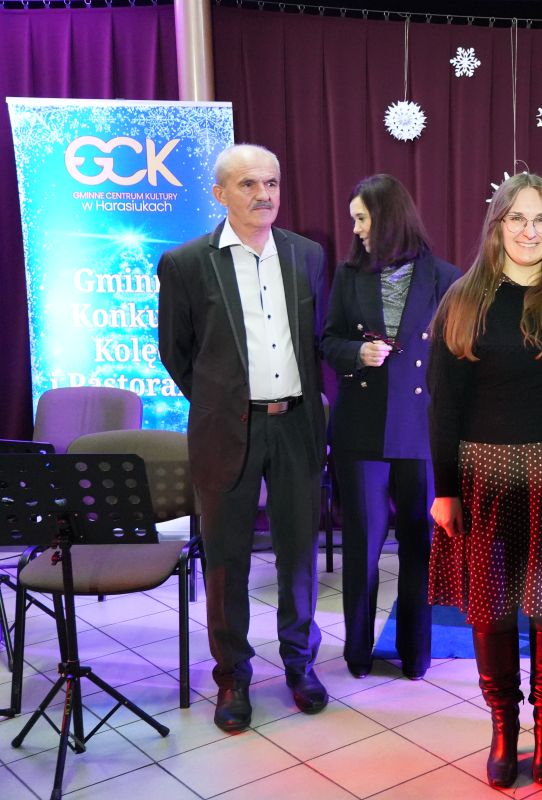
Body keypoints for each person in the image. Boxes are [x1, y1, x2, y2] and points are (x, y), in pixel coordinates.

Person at [426, 172, 542, 788]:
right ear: (497, 225)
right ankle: (504, 728)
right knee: (492, 608)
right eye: (517, 218)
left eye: (541, 220)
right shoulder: (463, 299)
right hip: (485, 473)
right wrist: (445, 489)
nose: (529, 231)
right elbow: (443, 405)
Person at [158, 143, 331, 732]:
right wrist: (222, 402)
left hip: (297, 425)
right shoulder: (185, 263)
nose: (264, 195)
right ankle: (232, 676)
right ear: (220, 194)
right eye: (249, 184)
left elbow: (315, 339)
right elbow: (176, 353)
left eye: (272, 183)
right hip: (226, 430)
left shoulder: (307, 254)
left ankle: (299, 663)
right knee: (227, 559)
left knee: (299, 555)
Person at [320, 174, 460, 680]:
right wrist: (356, 352)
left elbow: (458, 357)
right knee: (362, 542)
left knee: (420, 543)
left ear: (387, 217)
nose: (356, 229)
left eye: (362, 218)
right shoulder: (348, 274)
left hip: (421, 431)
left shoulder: (445, 277)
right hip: (361, 429)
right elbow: (328, 341)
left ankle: (415, 652)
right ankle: (358, 652)